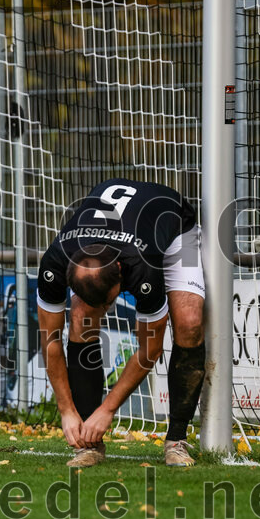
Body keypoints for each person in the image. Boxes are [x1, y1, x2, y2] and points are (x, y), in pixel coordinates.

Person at [37, 179, 206, 468]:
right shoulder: (54, 262)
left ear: (119, 271)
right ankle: (89, 444)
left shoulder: (143, 265)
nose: (107, 309)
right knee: (81, 317)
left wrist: (108, 409)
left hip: (175, 225)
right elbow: (50, 341)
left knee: (189, 322)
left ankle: (177, 439)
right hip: (116, 231)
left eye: (108, 300)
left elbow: (149, 350)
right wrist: (66, 410)